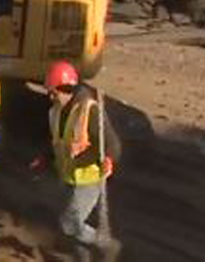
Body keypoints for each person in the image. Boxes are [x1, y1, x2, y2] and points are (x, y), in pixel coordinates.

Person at [38, 61, 122, 260]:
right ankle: (82, 257)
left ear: (65, 89)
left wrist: (110, 159)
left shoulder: (89, 111)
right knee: (68, 220)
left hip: (89, 178)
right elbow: (58, 141)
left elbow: (111, 142)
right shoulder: (55, 112)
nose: (50, 96)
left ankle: (107, 244)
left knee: (71, 222)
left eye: (53, 92)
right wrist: (45, 158)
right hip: (68, 175)